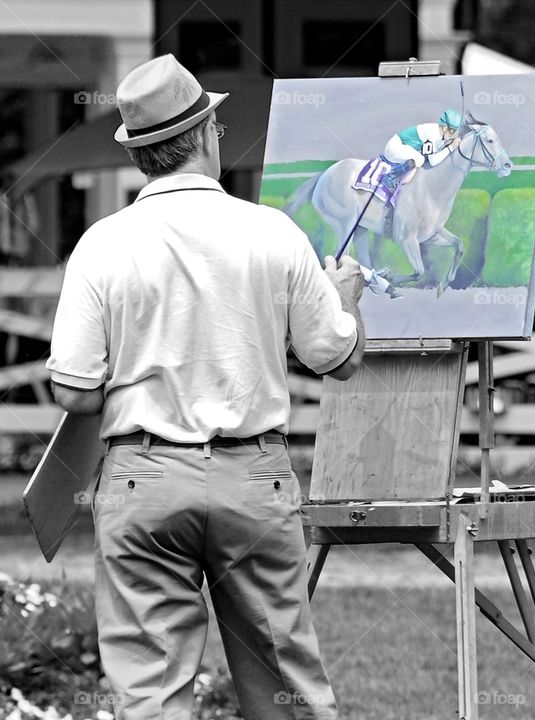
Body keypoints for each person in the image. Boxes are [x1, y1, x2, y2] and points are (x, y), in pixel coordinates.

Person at [45, 55, 364, 720]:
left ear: (140, 156)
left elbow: (74, 392)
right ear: (209, 132)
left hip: (143, 479)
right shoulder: (270, 231)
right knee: (283, 679)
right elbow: (332, 355)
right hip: (254, 477)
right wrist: (347, 301)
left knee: (151, 689)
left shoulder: (102, 245)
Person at [378, 109, 462, 237]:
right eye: (451, 131)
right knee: (420, 159)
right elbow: (433, 160)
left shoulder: (440, 134)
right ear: (444, 128)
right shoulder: (434, 135)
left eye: (454, 131)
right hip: (395, 148)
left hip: (405, 148)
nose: (452, 134)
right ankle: (391, 177)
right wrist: (451, 148)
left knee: (420, 161)